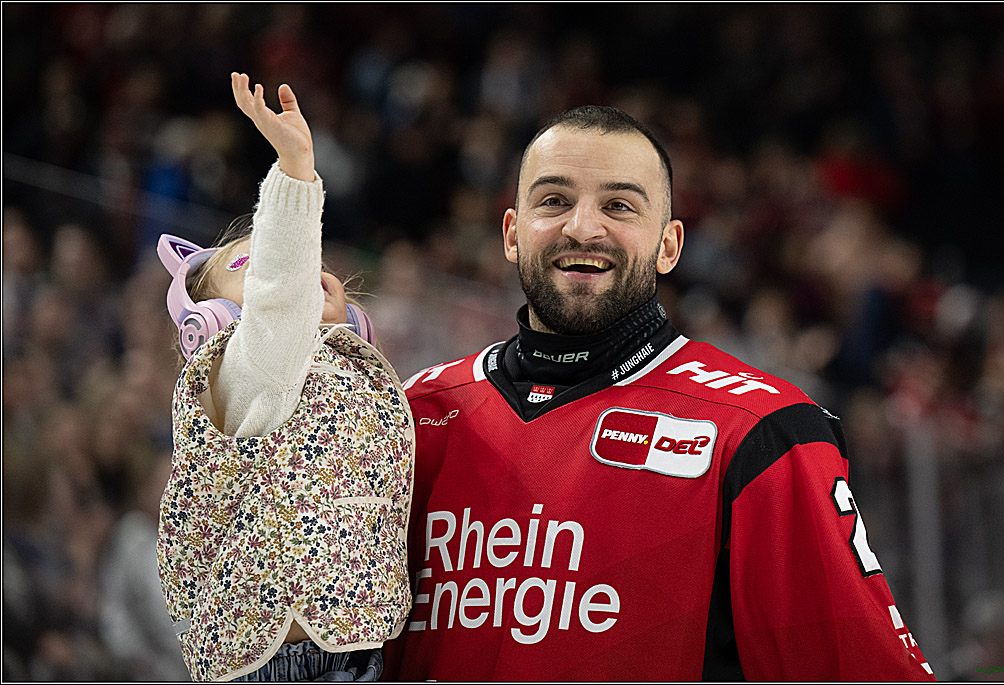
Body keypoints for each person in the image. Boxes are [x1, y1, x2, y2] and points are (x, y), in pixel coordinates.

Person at [384, 105, 936, 680]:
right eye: (553, 201)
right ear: (512, 233)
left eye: (619, 205)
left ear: (669, 246)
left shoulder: (760, 430)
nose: (582, 227)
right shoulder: (411, 417)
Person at [155, 73, 413, 682]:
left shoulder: (354, 377)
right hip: (280, 662)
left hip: (358, 647)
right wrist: (295, 170)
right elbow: (277, 306)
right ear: (211, 323)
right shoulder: (242, 369)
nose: (292, 268)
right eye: (254, 265)